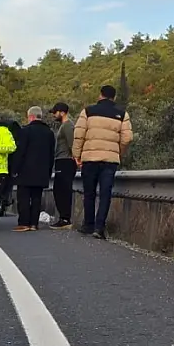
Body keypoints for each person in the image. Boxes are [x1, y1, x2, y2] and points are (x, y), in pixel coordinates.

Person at [72, 85, 133, 239]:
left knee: (89, 192)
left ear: (100, 95)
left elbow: (79, 134)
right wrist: (118, 152)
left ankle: (88, 225)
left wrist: (77, 155)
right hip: (109, 161)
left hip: (90, 159)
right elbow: (127, 138)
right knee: (105, 193)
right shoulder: (122, 114)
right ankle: (99, 228)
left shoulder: (88, 111)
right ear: (114, 97)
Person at [12, 106, 56, 231]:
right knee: (37, 197)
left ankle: (24, 223)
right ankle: (34, 223)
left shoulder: (25, 131)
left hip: (26, 171)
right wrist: (48, 171)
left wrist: (15, 169)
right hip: (42, 171)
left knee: (24, 197)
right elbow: (51, 154)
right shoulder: (49, 133)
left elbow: (20, 152)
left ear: (30, 116)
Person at [48, 102, 75, 228]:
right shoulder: (63, 126)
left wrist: (76, 159)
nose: (54, 115)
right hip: (61, 160)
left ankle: (65, 219)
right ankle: (64, 218)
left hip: (66, 161)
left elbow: (72, 145)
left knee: (62, 190)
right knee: (59, 190)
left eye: (55, 112)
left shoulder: (68, 126)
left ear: (62, 112)